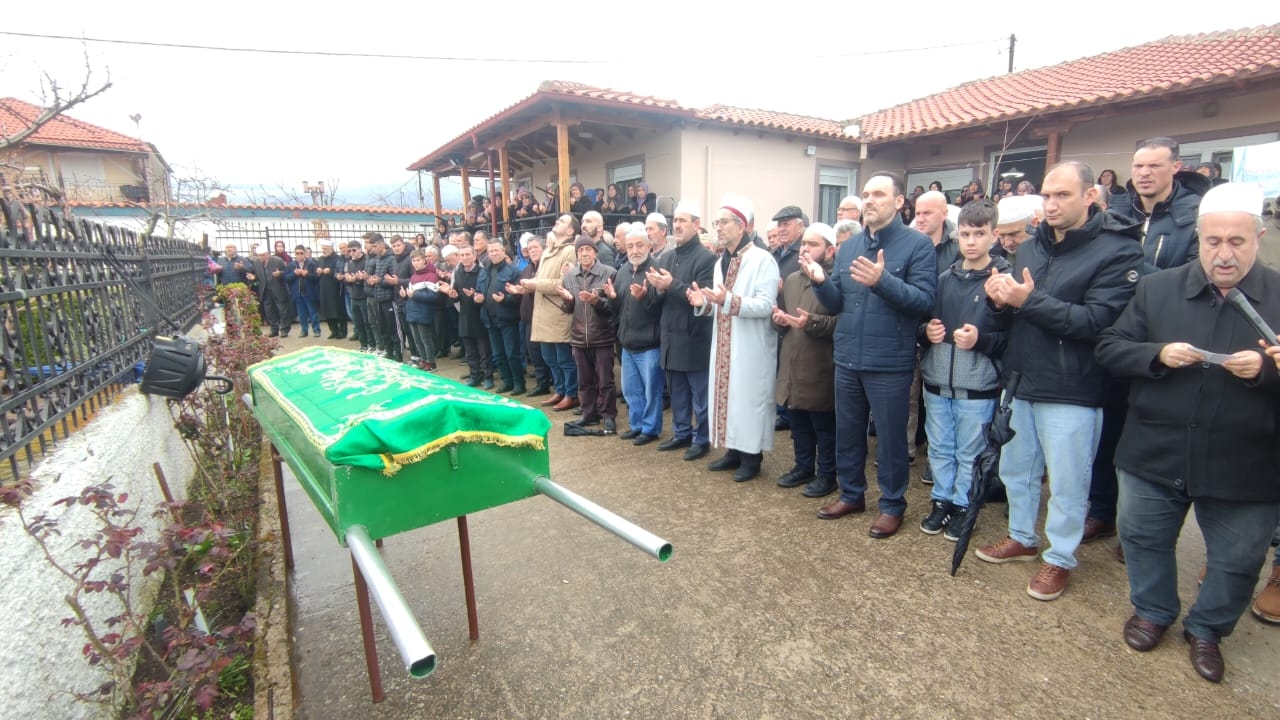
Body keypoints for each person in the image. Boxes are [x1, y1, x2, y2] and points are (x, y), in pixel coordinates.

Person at [1095, 182, 1280, 682]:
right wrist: (1156, 354)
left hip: (1246, 461)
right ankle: (1152, 610)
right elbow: (1110, 347)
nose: (1224, 254)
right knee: (1143, 537)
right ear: (1198, 238)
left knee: (1238, 559)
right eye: (1213, 241)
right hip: (1156, 449)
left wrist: (1267, 371)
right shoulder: (1158, 288)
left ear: (1259, 238)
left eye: (1237, 242)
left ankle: (1208, 629)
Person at [975, 162, 1144, 601]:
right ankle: (1022, 537)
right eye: (1047, 195)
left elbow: (1098, 322)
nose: (1051, 204)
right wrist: (999, 303)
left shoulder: (1118, 252)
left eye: (1063, 195)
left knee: (1068, 481)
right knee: (1016, 469)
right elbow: (1016, 315)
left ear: (1090, 196)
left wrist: (1028, 300)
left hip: (1073, 385)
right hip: (1022, 377)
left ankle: (1060, 557)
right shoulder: (1031, 248)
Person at [807, 172, 937, 539]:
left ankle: (892, 505)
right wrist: (820, 282)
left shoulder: (917, 246)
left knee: (890, 440)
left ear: (899, 202)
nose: (869, 200)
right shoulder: (849, 248)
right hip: (848, 356)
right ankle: (852, 494)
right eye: (865, 194)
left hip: (889, 361)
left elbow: (924, 302)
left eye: (879, 194)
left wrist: (883, 281)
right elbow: (837, 302)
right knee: (848, 432)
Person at [918, 200, 1009, 538]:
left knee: (970, 451)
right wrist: (926, 332)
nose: (971, 241)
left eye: (979, 234)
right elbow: (921, 320)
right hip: (938, 379)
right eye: (965, 234)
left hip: (977, 384)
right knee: (940, 446)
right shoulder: (944, 278)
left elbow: (1011, 337)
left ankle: (963, 505)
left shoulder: (1003, 280)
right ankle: (941, 500)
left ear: (994, 235)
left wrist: (980, 340)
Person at [688, 195, 780, 482]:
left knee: (748, 400)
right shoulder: (720, 262)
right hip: (725, 342)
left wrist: (728, 300)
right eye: (717, 222)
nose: (718, 227)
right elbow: (719, 303)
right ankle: (733, 450)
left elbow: (766, 305)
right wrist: (703, 302)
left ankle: (752, 457)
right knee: (727, 398)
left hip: (751, 345)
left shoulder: (762, 260)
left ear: (741, 226)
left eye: (724, 222)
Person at [647, 200, 717, 461]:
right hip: (671, 337)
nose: (677, 225)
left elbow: (702, 297)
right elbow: (658, 300)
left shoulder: (707, 259)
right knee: (677, 393)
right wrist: (654, 291)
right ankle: (681, 433)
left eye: (682, 221)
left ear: (696, 225)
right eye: (674, 220)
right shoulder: (667, 257)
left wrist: (671, 285)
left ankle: (702, 438)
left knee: (700, 396)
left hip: (695, 338)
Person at [774, 223, 839, 498]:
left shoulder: (836, 281)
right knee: (798, 422)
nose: (805, 249)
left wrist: (810, 323)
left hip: (821, 365)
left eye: (813, 244)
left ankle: (827, 475)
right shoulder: (791, 279)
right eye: (804, 243)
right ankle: (803, 467)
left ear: (830, 251)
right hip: (792, 362)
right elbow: (783, 316)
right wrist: (778, 320)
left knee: (823, 427)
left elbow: (841, 323)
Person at [1110, 137, 1211, 274]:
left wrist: (1129, 265)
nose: (1144, 173)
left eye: (1154, 166)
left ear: (1176, 167)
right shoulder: (1113, 213)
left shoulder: (1198, 216)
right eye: (1138, 166)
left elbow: (1193, 278)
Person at [558, 235, 619, 432]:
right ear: (577, 254)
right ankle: (589, 414)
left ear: (595, 252)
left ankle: (608, 415)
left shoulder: (609, 273)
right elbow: (567, 309)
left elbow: (613, 308)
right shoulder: (569, 276)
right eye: (581, 250)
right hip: (578, 338)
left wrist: (595, 301)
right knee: (584, 381)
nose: (584, 253)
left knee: (605, 381)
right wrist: (567, 300)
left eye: (588, 250)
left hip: (602, 337)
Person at [611, 226, 665, 444]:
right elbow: (617, 307)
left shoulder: (656, 271)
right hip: (627, 343)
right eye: (630, 246)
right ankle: (637, 425)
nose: (634, 250)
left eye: (640, 245)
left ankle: (650, 429)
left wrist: (644, 298)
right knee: (631, 391)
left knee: (652, 391)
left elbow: (661, 308)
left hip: (650, 344)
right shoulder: (623, 271)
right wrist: (611, 298)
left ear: (649, 246)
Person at [521, 216, 580, 411]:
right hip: (543, 314)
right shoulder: (548, 251)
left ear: (570, 231)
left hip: (557, 313)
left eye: (562, 221)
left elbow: (564, 283)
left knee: (564, 359)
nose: (557, 221)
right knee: (549, 358)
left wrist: (535, 284)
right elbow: (541, 279)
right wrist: (528, 286)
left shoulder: (570, 251)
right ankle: (560, 390)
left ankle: (571, 394)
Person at [477, 239, 525, 394]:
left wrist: (505, 299)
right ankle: (507, 381)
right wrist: (478, 297)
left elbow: (519, 296)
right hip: (490, 319)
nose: (494, 254)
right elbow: (479, 290)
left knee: (512, 354)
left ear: (503, 251)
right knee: (498, 354)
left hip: (508, 318)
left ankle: (519, 383)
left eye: (496, 250)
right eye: (491, 251)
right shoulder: (484, 271)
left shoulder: (513, 271)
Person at [443, 242, 492, 388]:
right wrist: (453, 295)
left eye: (467, 254)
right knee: (470, 351)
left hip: (480, 315)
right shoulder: (458, 273)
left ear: (474, 256)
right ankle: (474, 375)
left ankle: (488, 377)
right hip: (464, 315)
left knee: (484, 351)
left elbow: (486, 294)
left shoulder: (482, 272)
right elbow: (456, 296)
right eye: (462, 255)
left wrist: (476, 295)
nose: (465, 257)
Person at [402, 249, 441, 370]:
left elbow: (433, 295)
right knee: (417, 339)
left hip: (424, 312)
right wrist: (405, 295)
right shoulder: (413, 276)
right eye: (414, 261)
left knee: (426, 339)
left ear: (424, 260)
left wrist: (415, 295)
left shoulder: (431, 276)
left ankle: (431, 362)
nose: (416, 263)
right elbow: (411, 294)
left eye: (418, 260)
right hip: (412, 311)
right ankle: (423, 360)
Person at [248, 247, 292, 338]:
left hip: (278, 289)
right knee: (269, 312)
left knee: (283, 311)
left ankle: (284, 330)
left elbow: (287, 272)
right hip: (265, 290)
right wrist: (253, 277)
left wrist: (280, 273)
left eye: (262, 255)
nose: (260, 257)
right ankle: (274, 330)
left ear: (267, 254)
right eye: (259, 255)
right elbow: (256, 274)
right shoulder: (256, 262)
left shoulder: (277, 260)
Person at [342, 240, 375, 352]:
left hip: (364, 296)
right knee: (358, 323)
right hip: (354, 296)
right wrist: (348, 279)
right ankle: (363, 344)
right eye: (349, 251)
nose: (352, 253)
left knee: (367, 322)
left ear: (360, 249)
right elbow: (347, 280)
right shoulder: (350, 263)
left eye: (354, 250)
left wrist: (356, 280)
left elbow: (368, 279)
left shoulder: (366, 261)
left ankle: (372, 345)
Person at [315, 241, 347, 339]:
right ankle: (333, 330)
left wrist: (331, 271)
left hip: (335, 288)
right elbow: (316, 271)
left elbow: (341, 271)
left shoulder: (338, 258)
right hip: (324, 288)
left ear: (331, 248)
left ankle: (342, 331)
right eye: (323, 249)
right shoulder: (321, 258)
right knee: (327, 310)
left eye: (325, 249)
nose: (324, 251)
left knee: (338, 310)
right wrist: (318, 271)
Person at [287, 245, 321, 338]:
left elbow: (317, 277)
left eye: (301, 253)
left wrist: (307, 274)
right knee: (301, 314)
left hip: (309, 293)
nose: (299, 255)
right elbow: (286, 278)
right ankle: (304, 330)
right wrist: (294, 274)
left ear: (305, 253)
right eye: (297, 253)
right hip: (297, 293)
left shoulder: (312, 264)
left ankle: (316, 330)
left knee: (313, 313)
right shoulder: (291, 265)